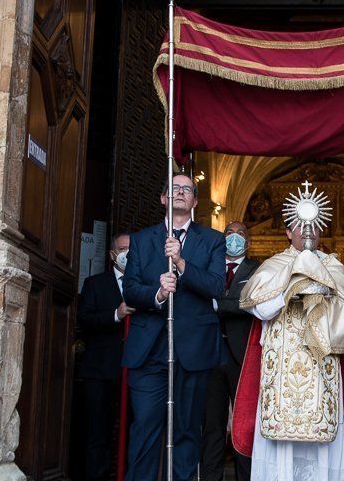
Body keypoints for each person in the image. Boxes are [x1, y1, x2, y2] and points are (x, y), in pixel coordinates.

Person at [233, 181, 344, 481]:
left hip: (321, 370)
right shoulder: (274, 265)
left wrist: (321, 291)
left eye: (313, 225)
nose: (306, 231)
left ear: (321, 229)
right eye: (298, 225)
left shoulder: (333, 266)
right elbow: (258, 308)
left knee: (318, 450)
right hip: (280, 374)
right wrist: (290, 289)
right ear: (288, 231)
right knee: (280, 450)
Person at [122, 174, 226, 481]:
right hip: (150, 351)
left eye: (187, 190)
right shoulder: (141, 240)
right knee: (145, 428)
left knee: (185, 431)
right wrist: (157, 293)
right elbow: (130, 289)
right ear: (164, 198)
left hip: (192, 351)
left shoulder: (212, 240)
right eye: (174, 188)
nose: (180, 192)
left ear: (194, 201)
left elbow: (216, 286)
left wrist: (181, 263)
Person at [200, 221, 259, 481]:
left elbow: (250, 303)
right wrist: (225, 303)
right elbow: (200, 299)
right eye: (229, 234)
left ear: (247, 242)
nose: (234, 238)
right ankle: (211, 477)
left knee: (244, 424)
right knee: (212, 424)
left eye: (240, 234)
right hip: (210, 353)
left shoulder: (257, 270)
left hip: (241, 355)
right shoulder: (209, 267)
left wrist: (217, 303)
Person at [77, 232, 133, 481]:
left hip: (134, 369)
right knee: (97, 432)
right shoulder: (94, 283)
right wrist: (115, 315)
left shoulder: (146, 285)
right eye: (122, 249)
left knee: (133, 430)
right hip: (100, 370)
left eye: (131, 249)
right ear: (112, 254)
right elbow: (84, 321)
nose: (127, 254)